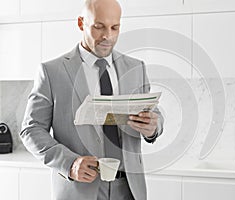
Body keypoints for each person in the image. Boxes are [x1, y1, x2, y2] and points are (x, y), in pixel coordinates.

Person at [20, 0, 164, 199]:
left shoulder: (136, 67)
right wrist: (69, 163)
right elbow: (31, 129)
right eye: (99, 27)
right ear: (81, 23)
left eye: (115, 27)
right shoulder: (51, 71)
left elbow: (153, 112)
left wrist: (153, 127)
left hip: (130, 189)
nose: (108, 36)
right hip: (78, 189)